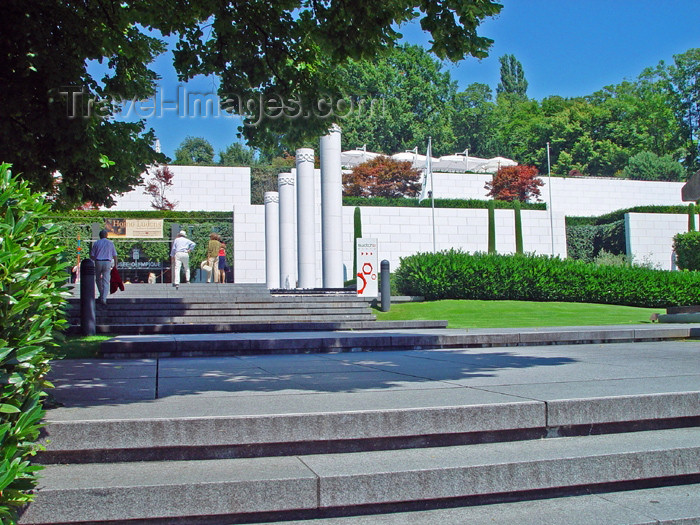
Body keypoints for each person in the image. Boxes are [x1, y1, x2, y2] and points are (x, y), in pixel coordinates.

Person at [90, 229, 118, 306]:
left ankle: (101, 293)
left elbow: (92, 255)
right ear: (106, 235)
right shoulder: (110, 243)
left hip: (98, 261)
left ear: (99, 236)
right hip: (107, 262)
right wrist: (115, 265)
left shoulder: (96, 243)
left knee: (98, 279)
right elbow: (115, 255)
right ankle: (104, 298)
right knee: (106, 280)